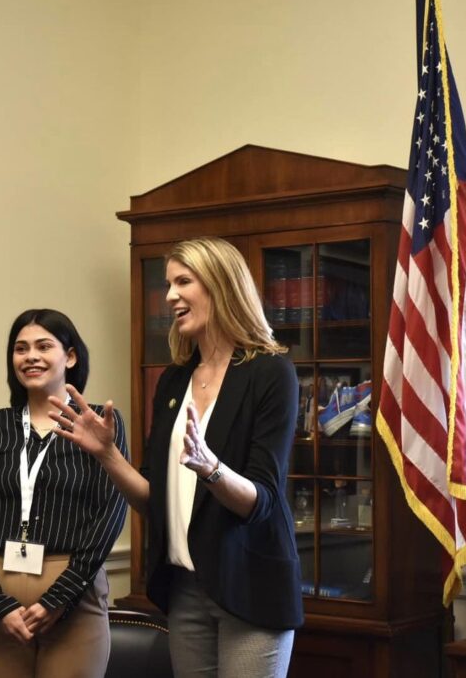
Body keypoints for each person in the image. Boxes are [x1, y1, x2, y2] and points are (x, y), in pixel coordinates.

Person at [52, 237, 302, 677]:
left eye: (183, 281)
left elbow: (260, 502)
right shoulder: (173, 381)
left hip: (252, 587)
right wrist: (108, 454)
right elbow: (155, 500)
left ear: (220, 285)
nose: (170, 296)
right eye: (168, 284)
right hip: (185, 589)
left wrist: (212, 468)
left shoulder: (270, 373)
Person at [0, 308, 128, 678]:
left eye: (43, 346)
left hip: (74, 595)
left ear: (69, 356)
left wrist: (58, 598)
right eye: (20, 349)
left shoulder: (97, 422)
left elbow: (111, 514)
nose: (30, 357)